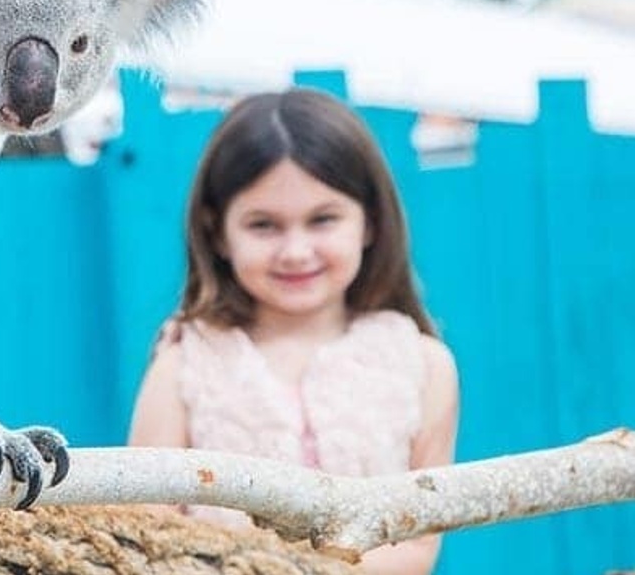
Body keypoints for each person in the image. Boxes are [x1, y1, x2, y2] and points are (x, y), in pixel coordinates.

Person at [128, 89, 460, 575]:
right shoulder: (183, 367)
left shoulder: (424, 366)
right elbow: (144, 532)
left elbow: (418, 544)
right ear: (218, 232)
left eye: (322, 219)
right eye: (264, 225)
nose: (296, 251)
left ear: (369, 221)